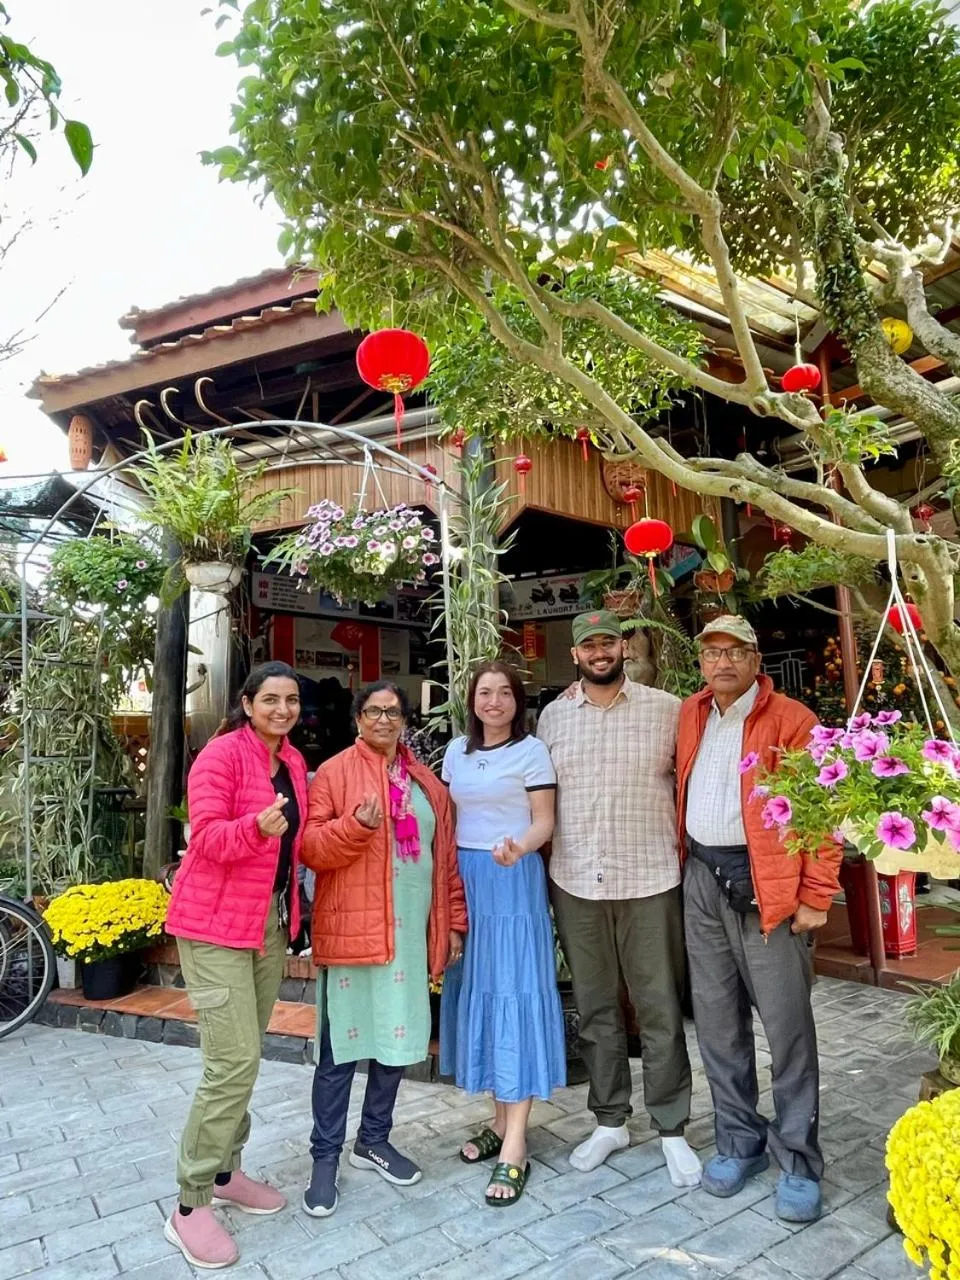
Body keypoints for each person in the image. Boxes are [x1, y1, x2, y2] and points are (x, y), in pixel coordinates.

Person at [677, 616, 841, 1223]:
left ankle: (798, 1158)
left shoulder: (793, 719)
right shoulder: (691, 713)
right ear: (701, 662)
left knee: (787, 1026)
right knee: (717, 1023)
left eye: (734, 652)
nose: (722, 663)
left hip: (766, 883)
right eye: (711, 653)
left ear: (755, 659)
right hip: (701, 878)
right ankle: (738, 1141)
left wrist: (817, 893)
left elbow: (824, 809)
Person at [537, 610, 701, 1189]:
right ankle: (610, 1120)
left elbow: (691, 783)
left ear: (623, 649)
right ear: (575, 655)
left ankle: (672, 1126)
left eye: (608, 642)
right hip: (577, 879)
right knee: (596, 1008)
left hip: (650, 878)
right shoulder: (553, 717)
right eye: (589, 645)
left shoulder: (667, 710)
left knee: (659, 1008)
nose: (600, 652)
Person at [299, 680, 467, 1218]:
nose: (383, 720)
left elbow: (446, 863)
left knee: (395, 1046)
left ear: (404, 721)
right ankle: (325, 1157)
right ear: (357, 719)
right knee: (338, 1055)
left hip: (407, 938)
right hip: (353, 935)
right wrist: (355, 826)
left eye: (393, 712)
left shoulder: (426, 784)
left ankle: (373, 1140)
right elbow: (311, 849)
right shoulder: (333, 773)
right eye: (373, 711)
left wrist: (453, 924)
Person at [163, 661, 308, 1270]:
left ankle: (226, 1173)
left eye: (291, 700)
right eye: (270, 699)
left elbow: (297, 847)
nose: (282, 709)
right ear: (247, 704)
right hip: (214, 926)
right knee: (233, 1062)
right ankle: (189, 1204)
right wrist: (254, 828)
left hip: (264, 927)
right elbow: (206, 840)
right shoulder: (220, 756)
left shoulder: (293, 761)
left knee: (245, 1056)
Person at [440, 661, 565, 1207]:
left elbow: (544, 821)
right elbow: (447, 821)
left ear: (518, 701)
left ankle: (516, 1142)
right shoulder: (455, 753)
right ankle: (498, 1119)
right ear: (472, 701)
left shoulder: (531, 752)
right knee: (482, 995)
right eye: (484, 692)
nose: (493, 701)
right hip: (466, 880)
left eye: (504, 693)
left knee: (514, 994)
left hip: (512, 878)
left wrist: (520, 848)